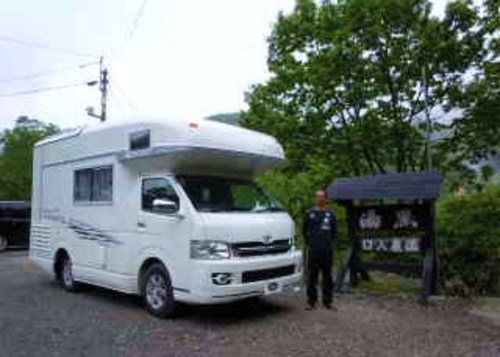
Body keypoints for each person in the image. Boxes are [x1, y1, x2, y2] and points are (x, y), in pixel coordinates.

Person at [302, 190, 337, 310]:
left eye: (322, 197)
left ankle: (328, 302)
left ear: (325, 199)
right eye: (318, 197)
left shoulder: (331, 214)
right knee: (312, 277)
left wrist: (327, 243)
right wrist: (310, 243)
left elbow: (334, 233)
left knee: (327, 277)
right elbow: (304, 231)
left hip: (327, 251)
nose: (320, 199)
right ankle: (311, 302)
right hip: (313, 251)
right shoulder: (309, 213)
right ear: (315, 199)